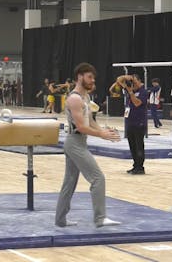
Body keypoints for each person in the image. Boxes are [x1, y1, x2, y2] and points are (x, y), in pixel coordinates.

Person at [55, 63, 122, 228]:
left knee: (69, 182)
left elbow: (90, 121)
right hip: (74, 142)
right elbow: (81, 127)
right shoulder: (74, 98)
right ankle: (100, 218)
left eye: (93, 78)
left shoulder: (86, 98)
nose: (92, 81)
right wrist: (101, 134)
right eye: (89, 77)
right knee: (98, 178)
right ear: (80, 76)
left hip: (79, 142)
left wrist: (104, 132)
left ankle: (60, 220)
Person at [116, 74, 148, 174]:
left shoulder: (143, 91)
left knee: (139, 146)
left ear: (139, 81)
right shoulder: (132, 89)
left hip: (139, 122)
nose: (132, 84)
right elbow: (119, 80)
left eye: (134, 82)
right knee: (132, 146)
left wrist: (130, 92)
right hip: (130, 122)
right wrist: (128, 77)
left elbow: (137, 103)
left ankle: (140, 167)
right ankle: (135, 165)